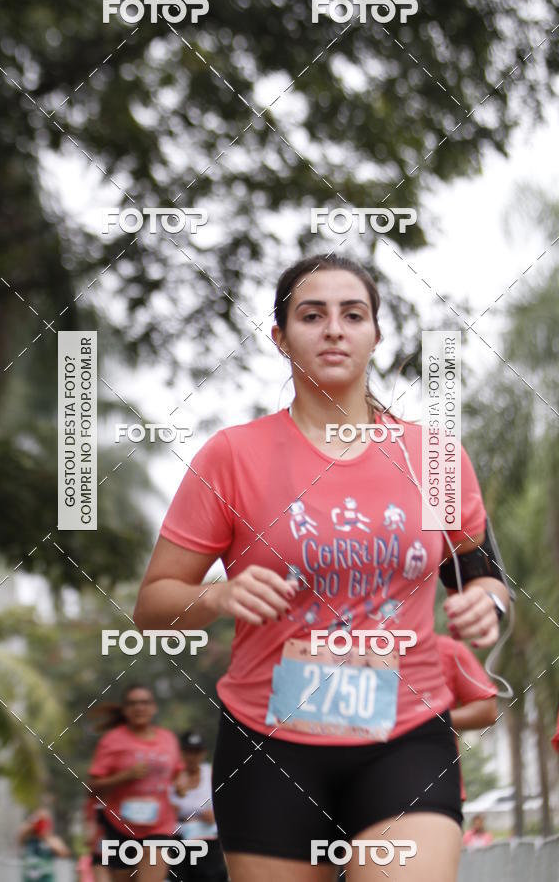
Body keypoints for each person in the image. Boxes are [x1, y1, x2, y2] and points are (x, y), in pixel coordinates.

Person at [133, 253, 511, 882]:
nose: (334, 329)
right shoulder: (232, 456)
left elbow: (479, 572)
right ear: (280, 338)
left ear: (375, 336)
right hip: (269, 743)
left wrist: (487, 602)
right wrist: (219, 598)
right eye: (312, 315)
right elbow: (151, 608)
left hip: (407, 731)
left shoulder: (433, 455)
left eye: (352, 314)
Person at [87, 683, 187, 882]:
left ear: (154, 707)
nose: (139, 708)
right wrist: (125, 776)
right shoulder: (112, 741)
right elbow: (92, 788)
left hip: (159, 825)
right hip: (119, 826)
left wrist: (181, 782)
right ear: (125, 710)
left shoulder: (168, 739)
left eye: (144, 703)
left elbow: (178, 770)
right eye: (132, 704)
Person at [435, 633, 498, 801]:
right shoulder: (360, 648)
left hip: (438, 788)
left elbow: (487, 709)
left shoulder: (448, 649)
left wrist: (429, 719)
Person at [169, 730, 228, 881]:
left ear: (203, 753)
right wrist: (199, 813)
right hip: (176, 841)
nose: (192, 757)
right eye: (188, 752)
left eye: (196, 752)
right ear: (181, 753)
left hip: (208, 841)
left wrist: (215, 815)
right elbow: (166, 809)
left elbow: (223, 809)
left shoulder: (212, 774)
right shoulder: (170, 776)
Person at [18, 807, 70, 882]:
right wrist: (33, 821)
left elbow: (64, 853)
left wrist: (46, 836)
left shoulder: (52, 840)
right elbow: (19, 836)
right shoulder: (28, 839)